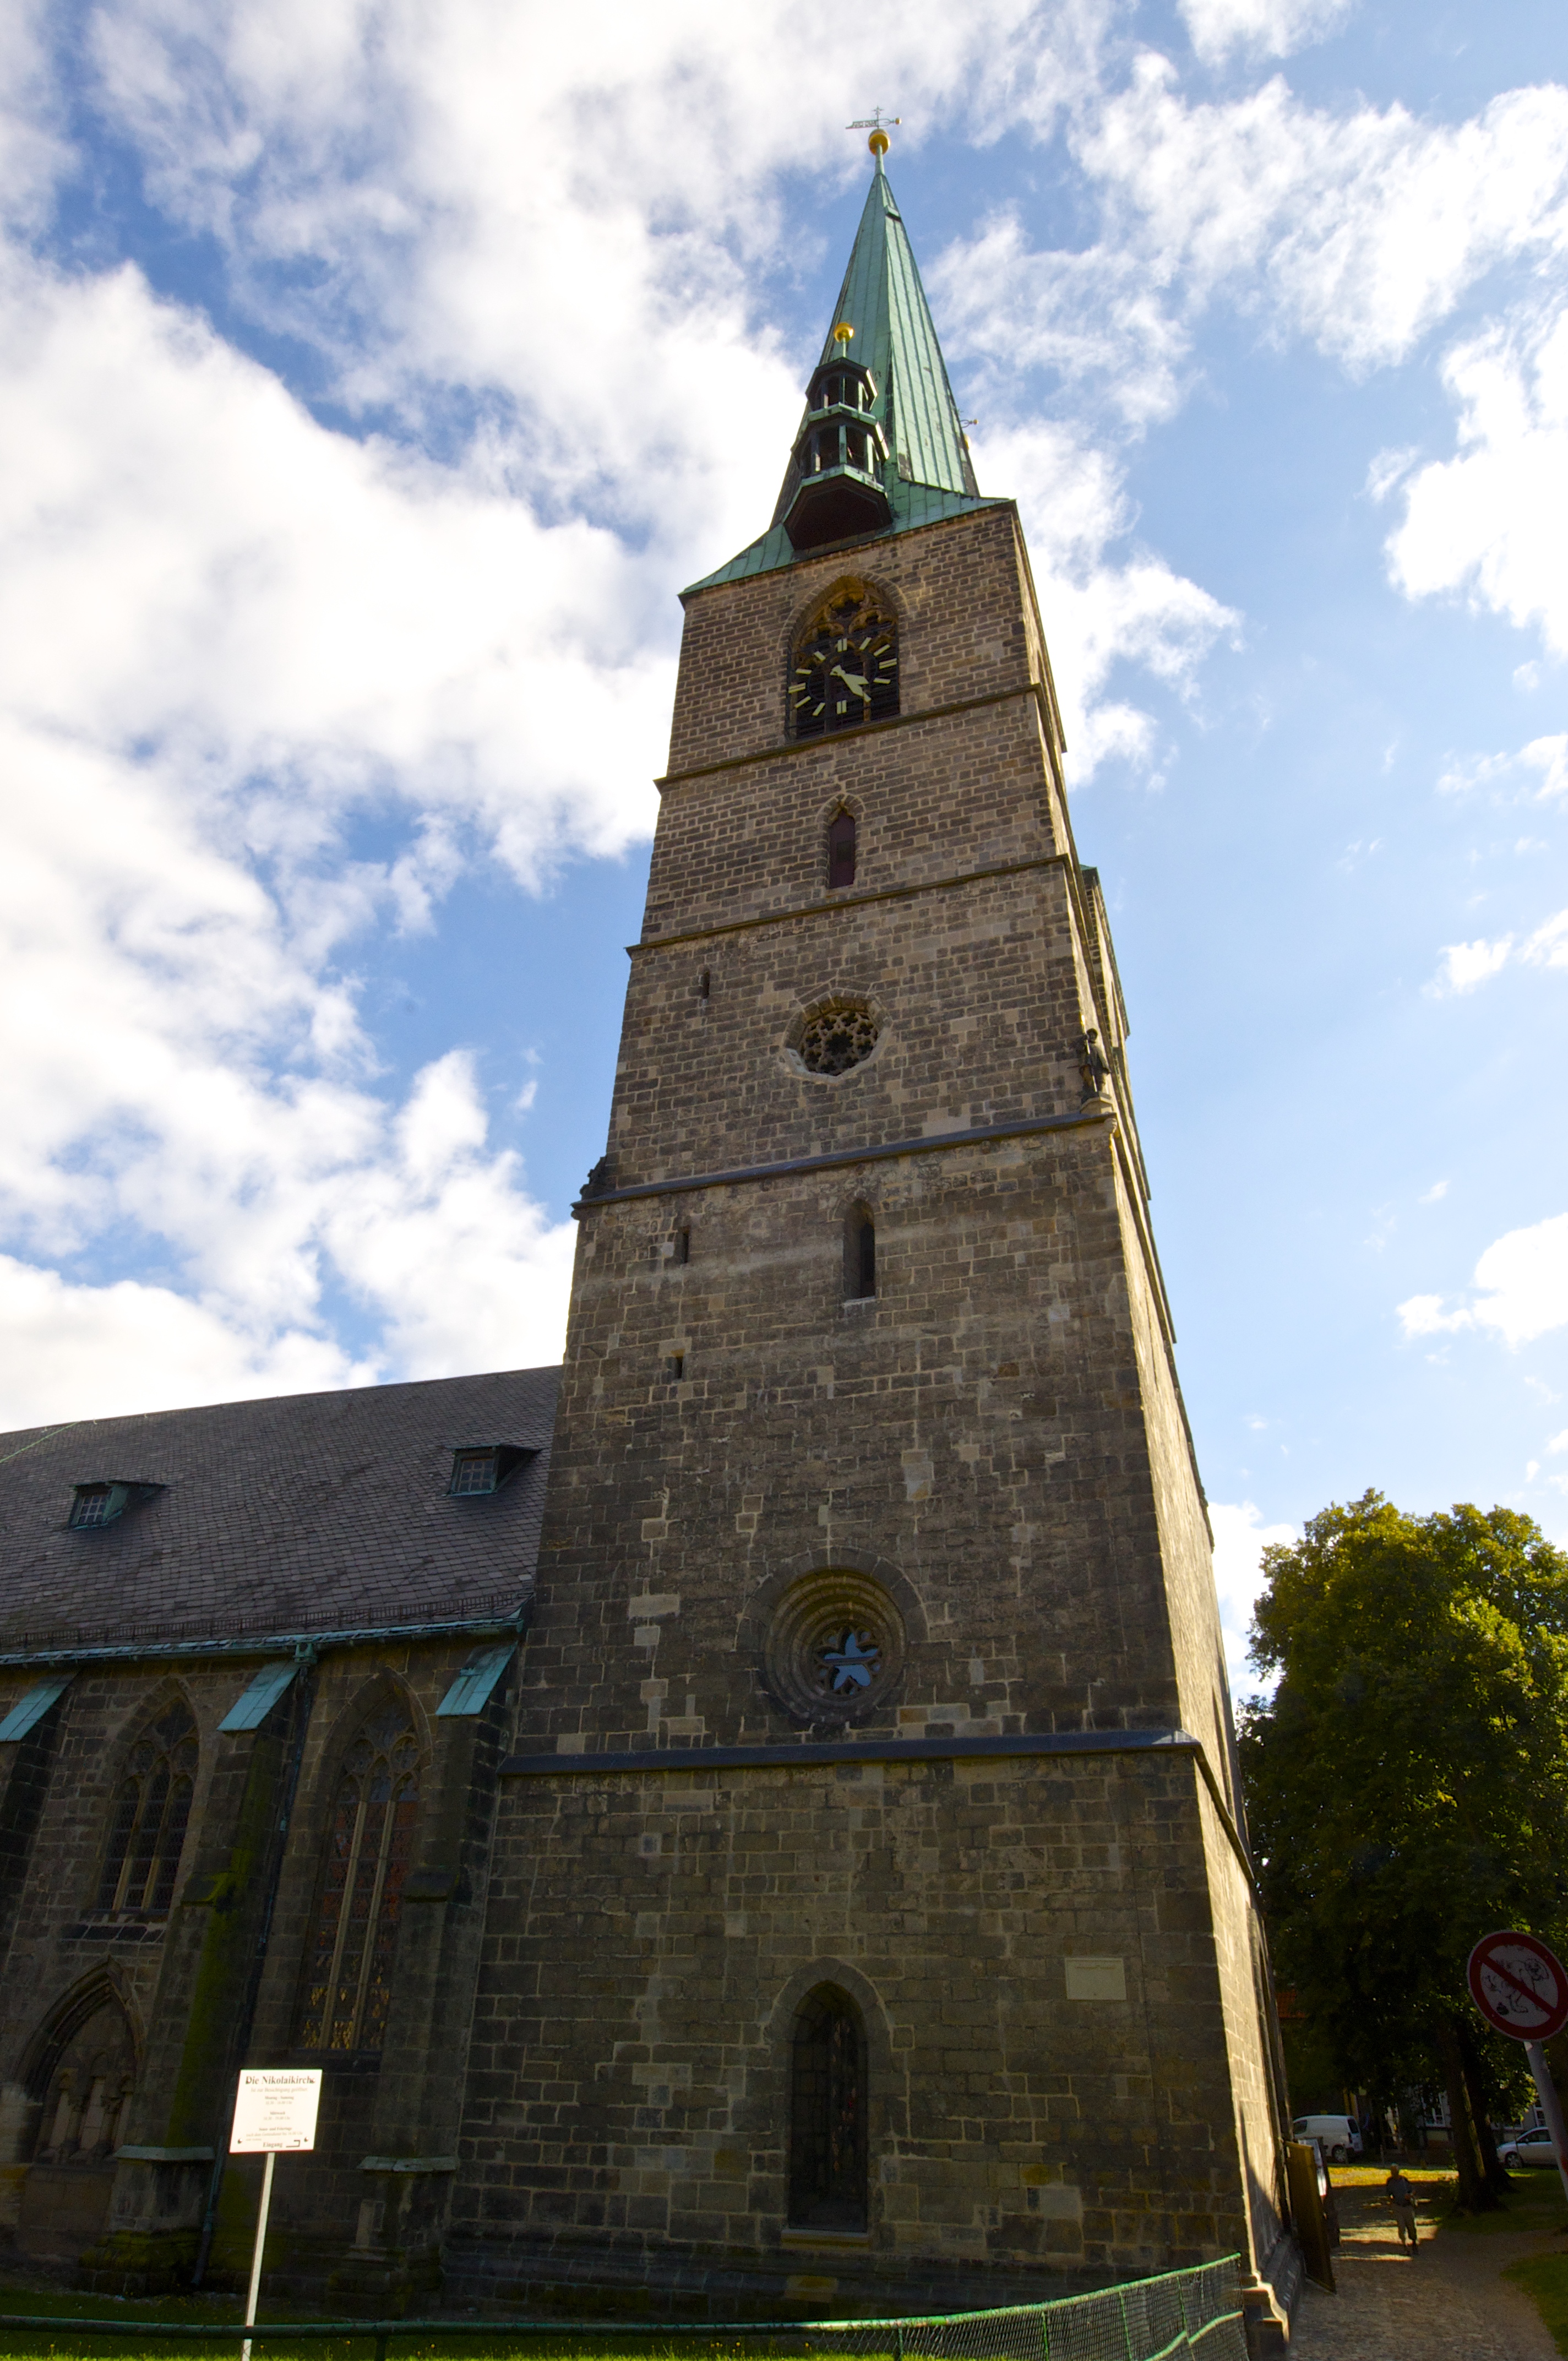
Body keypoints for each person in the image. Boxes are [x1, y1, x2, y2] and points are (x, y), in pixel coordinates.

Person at [1385, 2164, 1418, 2253]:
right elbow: (1388, 2194)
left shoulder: (1404, 2180)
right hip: (1397, 2207)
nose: (1394, 2173)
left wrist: (1410, 2195)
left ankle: (1414, 2243)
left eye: (1395, 2171)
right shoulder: (1390, 2181)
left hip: (1407, 2206)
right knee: (1401, 2226)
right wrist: (1391, 2204)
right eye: (1393, 2172)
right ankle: (1405, 2246)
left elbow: (1413, 2190)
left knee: (1411, 2226)